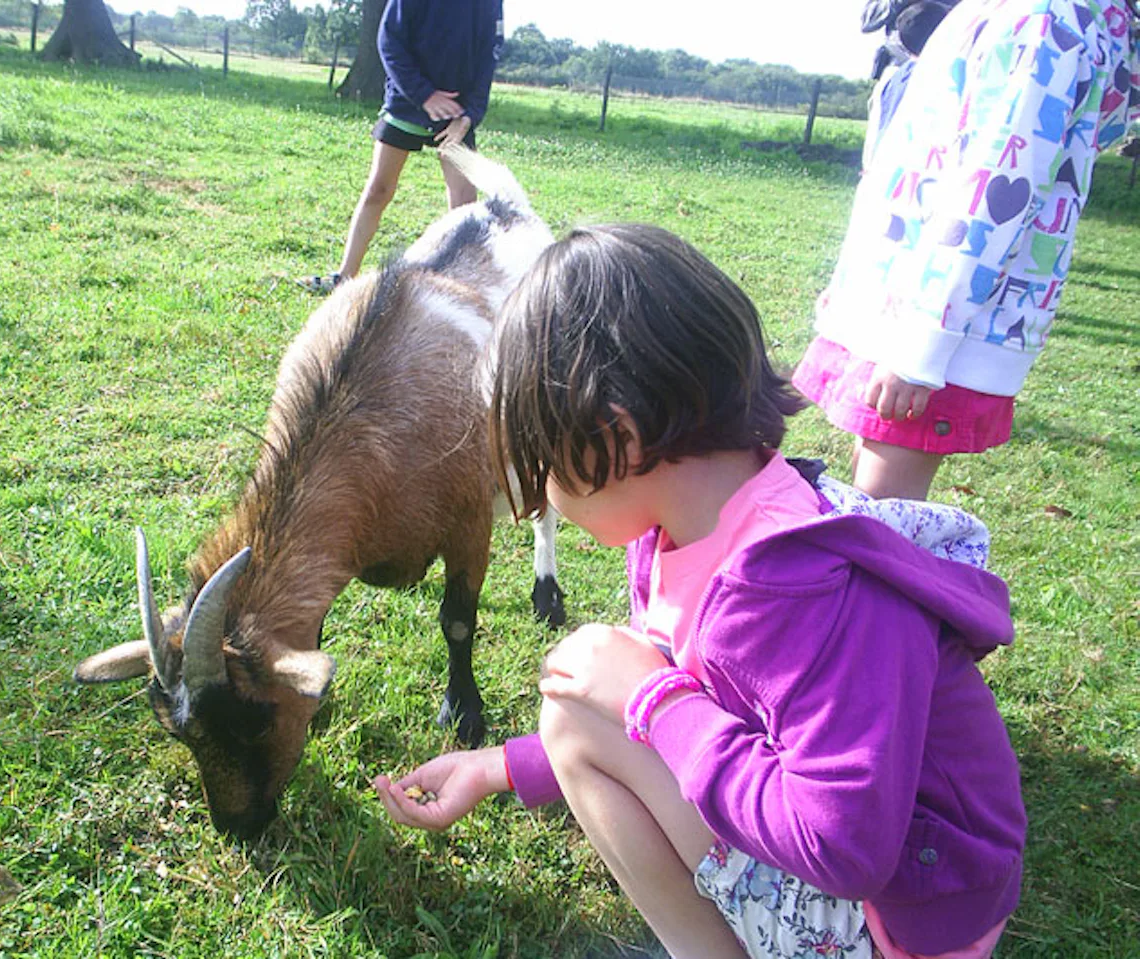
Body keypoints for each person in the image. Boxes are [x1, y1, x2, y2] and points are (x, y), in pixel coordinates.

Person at [372, 224, 1027, 959]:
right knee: (583, 710)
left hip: (904, 920)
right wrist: (498, 767)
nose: (545, 495)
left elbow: (844, 847)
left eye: (543, 466)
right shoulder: (688, 528)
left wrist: (657, 701)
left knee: (588, 708)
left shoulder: (804, 584)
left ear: (615, 439)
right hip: (874, 881)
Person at [791, 0, 1139, 500]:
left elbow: (997, 189)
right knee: (868, 503)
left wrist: (919, 348)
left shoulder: (1043, 21)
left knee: (884, 523)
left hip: (938, 320)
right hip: (904, 297)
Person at [300, 0, 503, 294]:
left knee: (465, 207)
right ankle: (344, 277)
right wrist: (424, 96)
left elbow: (489, 56)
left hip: (456, 116)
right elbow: (389, 42)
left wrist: (469, 116)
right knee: (378, 190)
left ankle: (462, 288)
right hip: (408, 104)